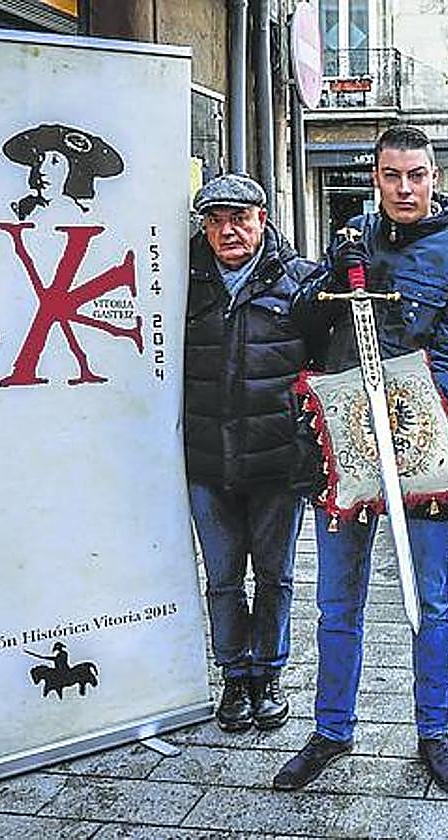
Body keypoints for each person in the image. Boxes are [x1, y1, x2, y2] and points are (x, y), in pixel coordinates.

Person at [273, 125, 448, 794]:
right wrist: (331, 280)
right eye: (392, 175)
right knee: (337, 602)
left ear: (434, 178)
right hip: (340, 452)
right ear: (376, 176)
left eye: (416, 175)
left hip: (421, 452)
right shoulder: (350, 242)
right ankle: (332, 731)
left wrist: (400, 415)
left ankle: (435, 732)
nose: (404, 187)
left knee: (433, 600)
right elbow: (303, 324)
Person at [185, 173, 321, 734]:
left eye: (239, 218)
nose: (228, 231)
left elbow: (324, 370)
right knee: (221, 577)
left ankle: (268, 673)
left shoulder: (300, 284)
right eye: (215, 220)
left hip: (276, 462)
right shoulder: (180, 280)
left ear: (263, 218)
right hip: (206, 460)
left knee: (274, 575)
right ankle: (234, 676)